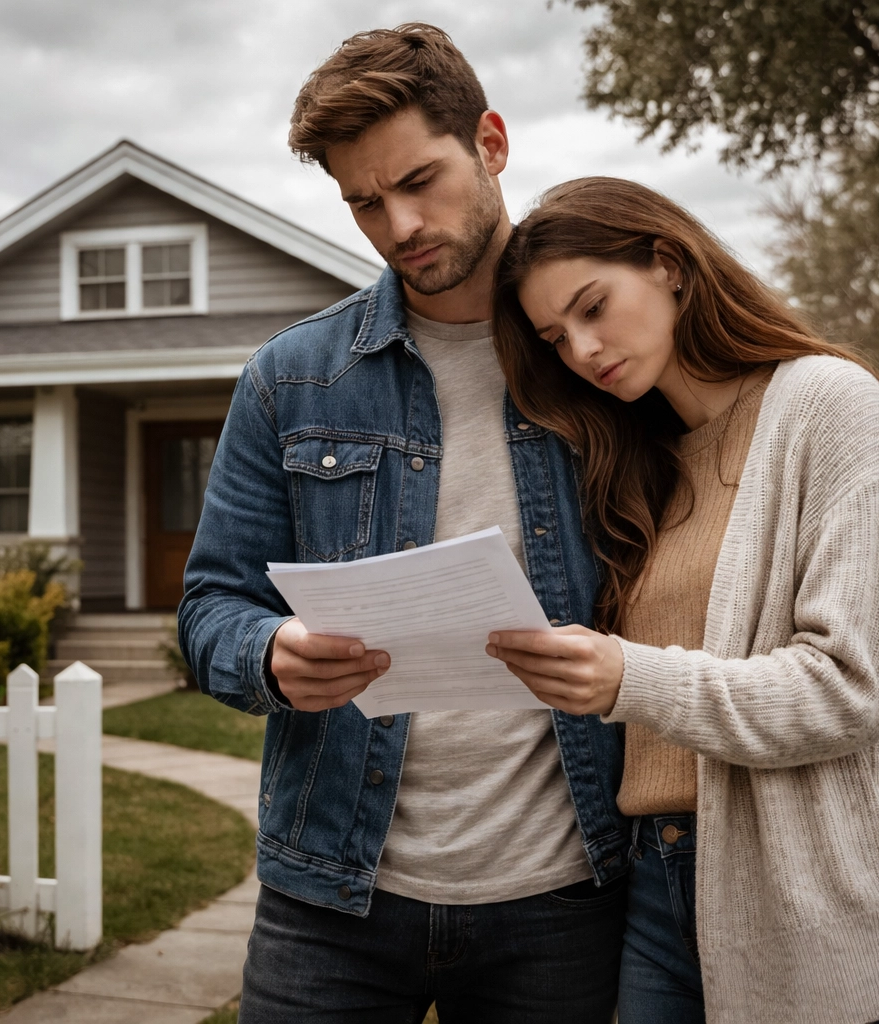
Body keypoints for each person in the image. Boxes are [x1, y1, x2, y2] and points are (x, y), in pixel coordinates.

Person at [177, 24, 632, 1023]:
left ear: (493, 143)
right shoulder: (290, 379)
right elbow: (210, 605)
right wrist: (270, 651)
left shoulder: (603, 360)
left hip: (563, 891)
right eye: (363, 202)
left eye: (421, 180)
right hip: (331, 897)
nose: (399, 225)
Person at [485, 176, 879, 1024]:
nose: (580, 349)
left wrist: (628, 679)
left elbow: (850, 689)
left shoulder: (830, 406)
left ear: (669, 264)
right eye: (554, 337)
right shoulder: (643, 463)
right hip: (655, 889)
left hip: (811, 902)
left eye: (593, 306)